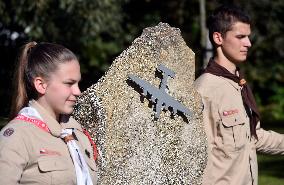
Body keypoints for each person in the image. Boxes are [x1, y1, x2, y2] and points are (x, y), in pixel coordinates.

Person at [194, 5, 284, 185]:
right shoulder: (204, 91)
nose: (248, 43)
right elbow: (193, 156)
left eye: (248, 36)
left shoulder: (238, 85)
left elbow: (252, 138)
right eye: (240, 37)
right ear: (218, 38)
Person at [0, 42, 98, 184]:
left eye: (78, 84)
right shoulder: (18, 136)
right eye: (69, 83)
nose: (78, 92)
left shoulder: (78, 134)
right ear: (41, 85)